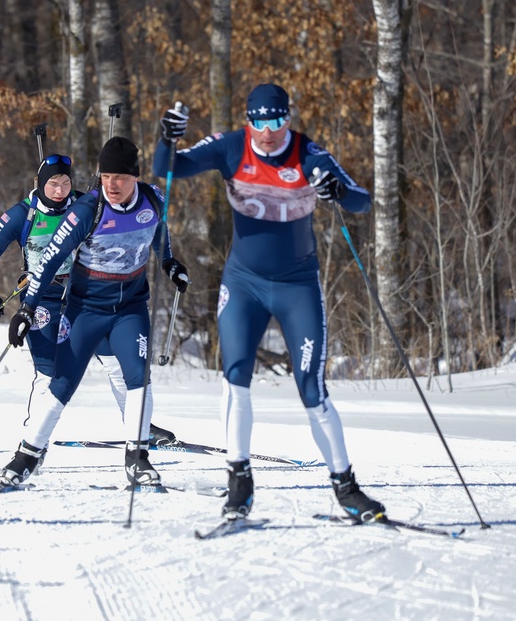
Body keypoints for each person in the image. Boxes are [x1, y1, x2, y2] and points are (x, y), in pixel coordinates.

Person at [153, 83, 386, 522]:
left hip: (298, 286)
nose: (267, 132)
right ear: (248, 121)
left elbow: (362, 200)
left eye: (276, 121)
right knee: (235, 376)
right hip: (244, 285)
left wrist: (336, 190)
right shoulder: (230, 146)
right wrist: (166, 136)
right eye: (259, 122)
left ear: (288, 119)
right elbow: (169, 169)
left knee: (312, 389)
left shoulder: (308, 154)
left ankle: (347, 489)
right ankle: (239, 483)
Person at [0, 137, 190, 487]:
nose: (111, 184)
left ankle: (137, 457)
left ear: (135, 176)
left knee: (137, 376)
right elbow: (48, 261)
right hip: (85, 310)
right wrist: (26, 309)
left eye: (120, 176)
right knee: (63, 383)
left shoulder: (153, 200)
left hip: (130, 309)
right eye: (105, 176)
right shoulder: (87, 211)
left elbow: (159, 233)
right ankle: (27, 456)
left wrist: (169, 263)